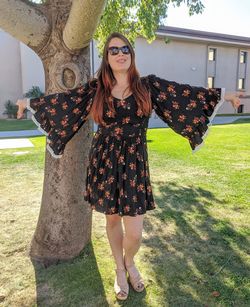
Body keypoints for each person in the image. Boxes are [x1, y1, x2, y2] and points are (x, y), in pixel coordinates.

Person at [16, 32, 241, 300]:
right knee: (112, 220)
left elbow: (185, 95)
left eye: (125, 49)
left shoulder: (148, 86)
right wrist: (28, 103)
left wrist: (226, 96)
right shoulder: (96, 89)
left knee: (134, 231)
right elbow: (66, 103)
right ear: (107, 58)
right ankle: (120, 269)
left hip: (134, 162)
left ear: (131, 55)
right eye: (114, 50)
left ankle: (130, 261)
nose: (121, 53)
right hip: (105, 160)